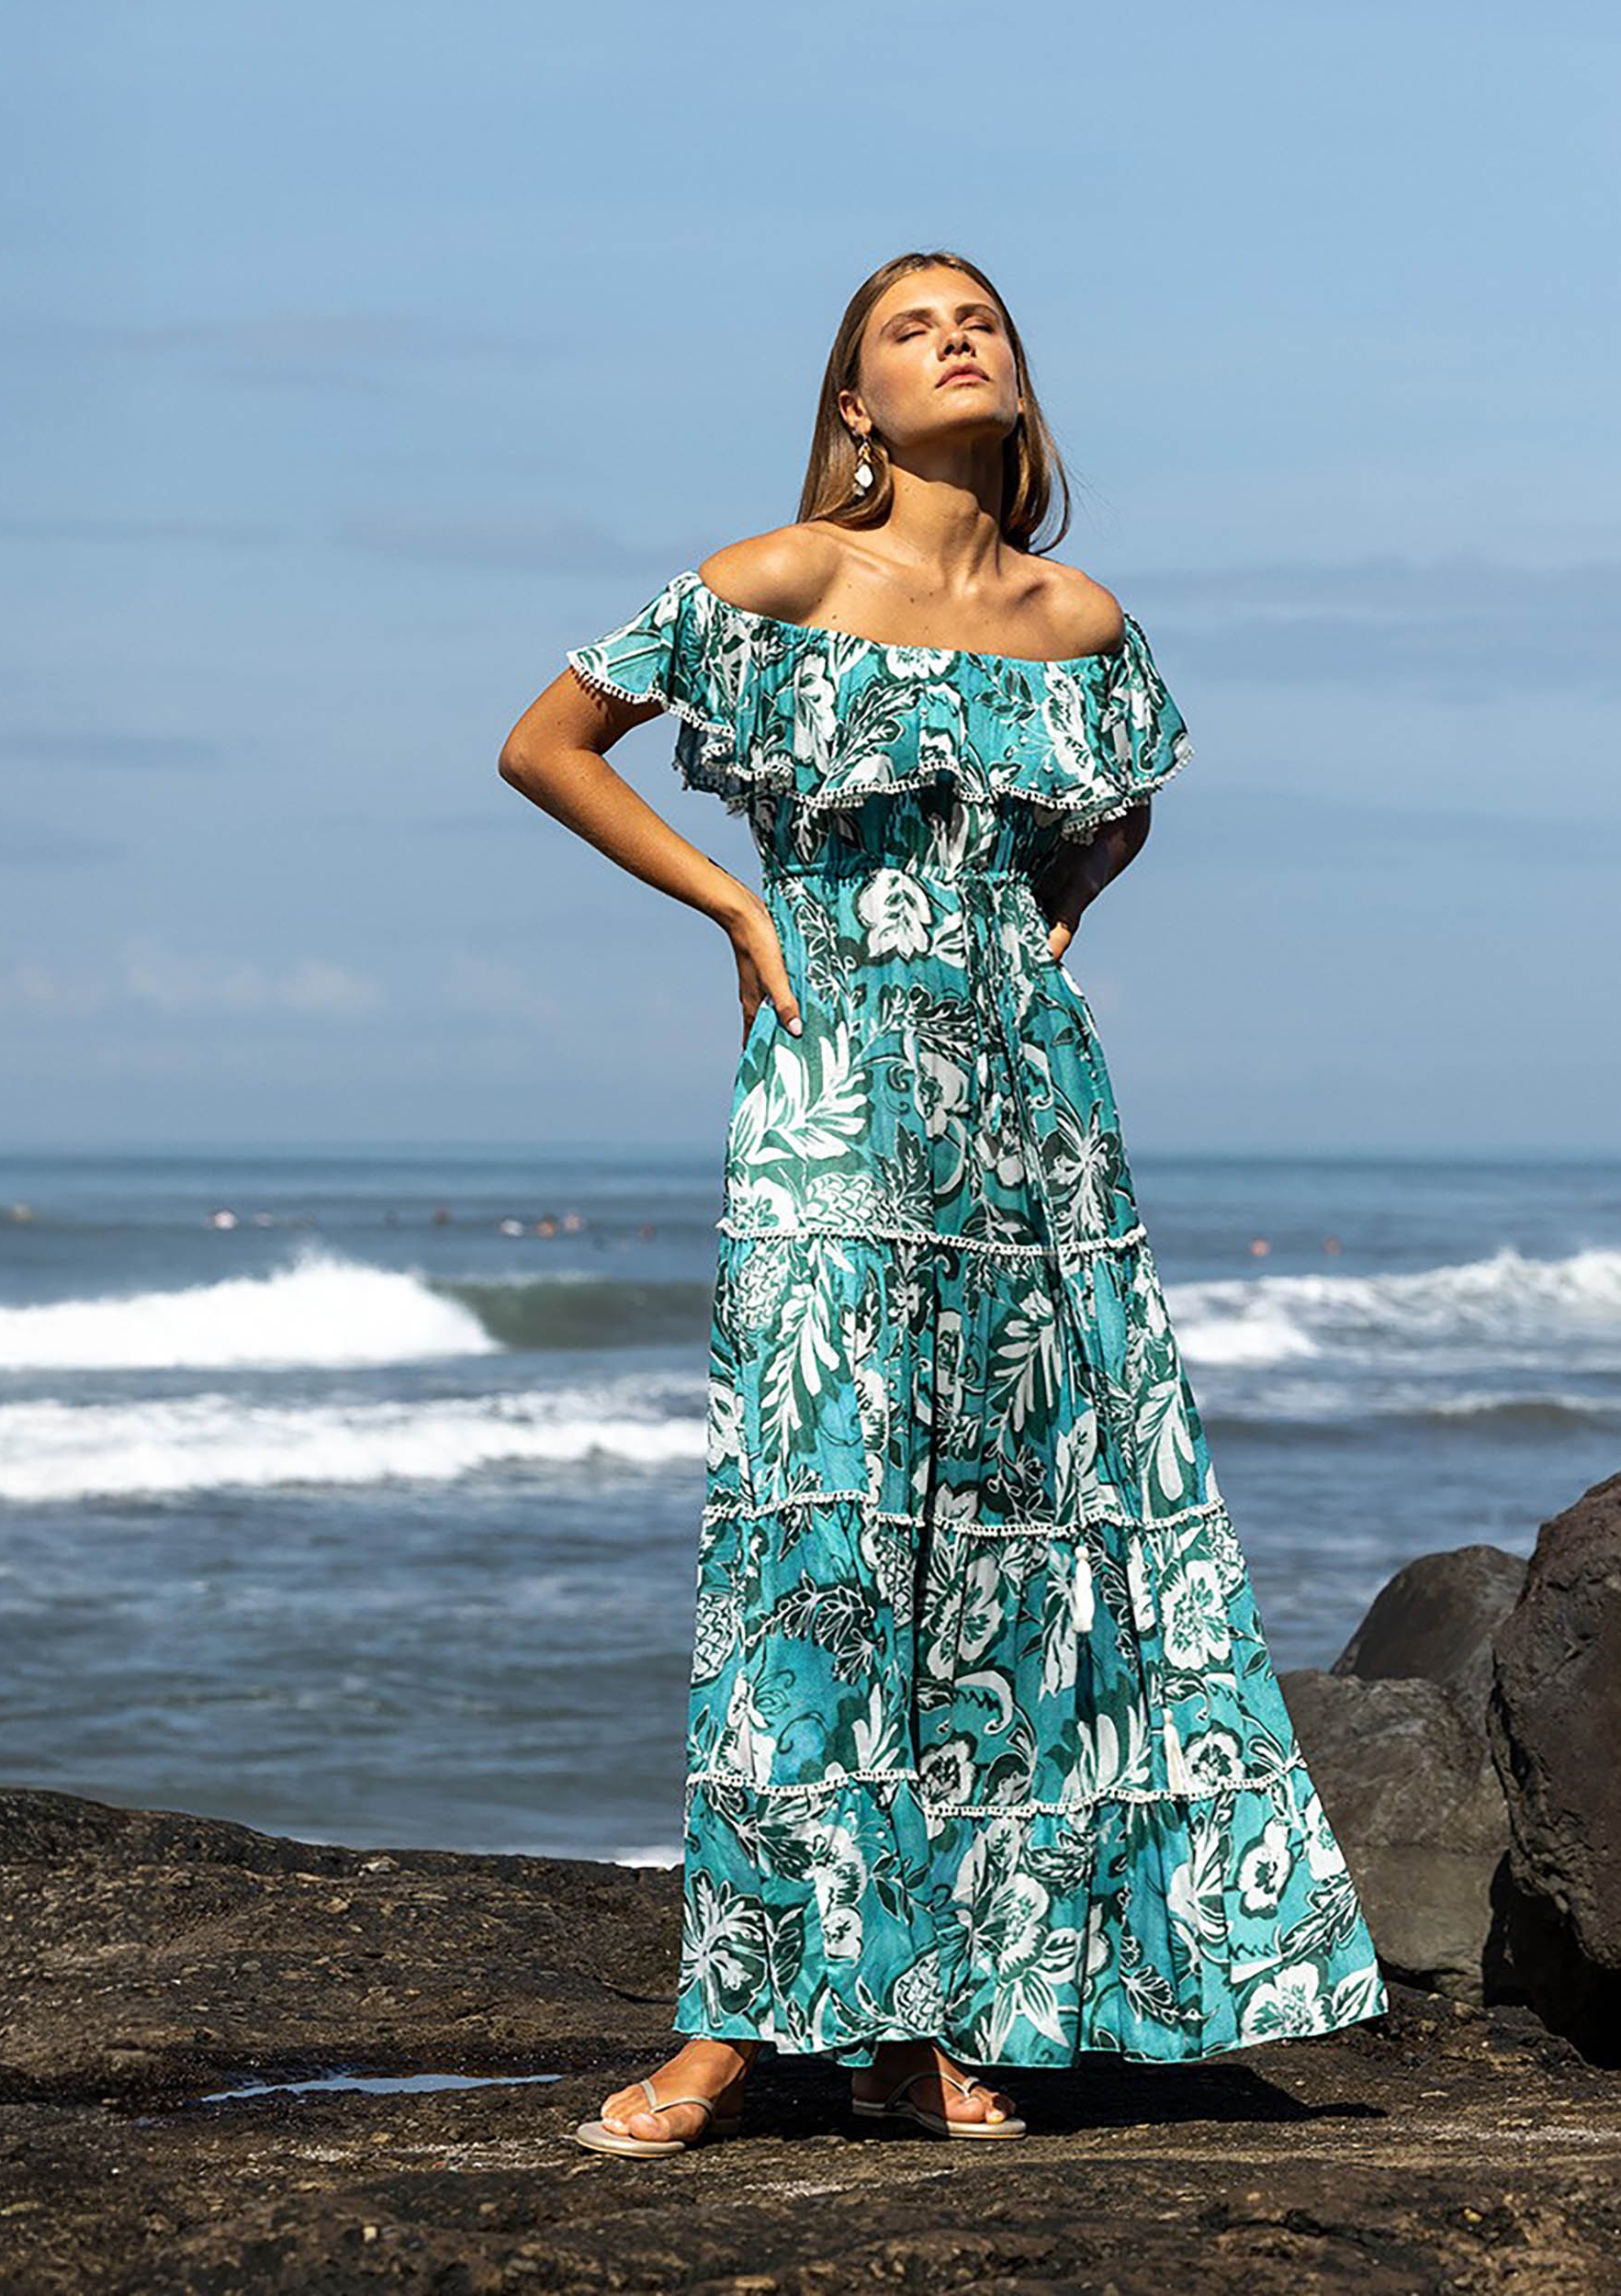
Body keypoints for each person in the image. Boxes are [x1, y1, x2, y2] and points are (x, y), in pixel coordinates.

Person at [497, 248, 1388, 2159]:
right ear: (855, 409)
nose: (952, 338)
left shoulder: (1081, 622)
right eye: (908, 328)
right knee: (811, 1549)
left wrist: (1058, 910)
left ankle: (929, 2019)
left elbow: (1127, 792)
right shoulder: (781, 578)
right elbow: (546, 742)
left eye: (975, 318)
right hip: (832, 1099)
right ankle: (737, 2017)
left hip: (1034, 1125)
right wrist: (739, 903)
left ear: (1016, 383)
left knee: (994, 1561)